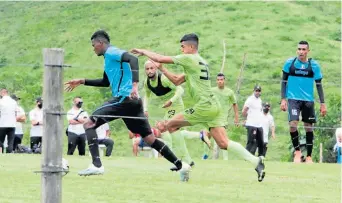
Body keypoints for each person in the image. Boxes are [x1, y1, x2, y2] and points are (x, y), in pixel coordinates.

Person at [131, 33, 265, 182]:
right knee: (223, 143)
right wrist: (162, 69)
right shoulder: (201, 62)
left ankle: (184, 163)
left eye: (182, 47)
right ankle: (256, 161)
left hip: (204, 106)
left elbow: (160, 58)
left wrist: (143, 51)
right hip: (213, 106)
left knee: (169, 126)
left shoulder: (190, 58)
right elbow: (176, 80)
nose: (181, 49)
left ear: (191, 47)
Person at [65, 30, 189, 179]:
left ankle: (96, 165)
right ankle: (181, 165)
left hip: (124, 98)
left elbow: (133, 59)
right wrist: (82, 81)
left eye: (93, 45)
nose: (93, 48)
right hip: (134, 103)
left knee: (89, 124)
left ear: (101, 43)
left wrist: (134, 85)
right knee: (149, 138)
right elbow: (105, 82)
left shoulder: (112, 52)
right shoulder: (108, 59)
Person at [143, 60, 204, 167]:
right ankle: (188, 158)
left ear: (156, 69)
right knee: (170, 132)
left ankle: (181, 160)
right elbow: (146, 96)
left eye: (152, 68)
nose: (150, 71)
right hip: (168, 108)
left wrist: (171, 101)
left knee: (168, 130)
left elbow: (180, 90)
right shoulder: (147, 83)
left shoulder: (163, 78)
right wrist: (145, 109)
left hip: (176, 105)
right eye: (147, 69)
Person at [280, 40, 327, 163]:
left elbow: (319, 85)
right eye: (299, 49)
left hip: (308, 100)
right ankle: (297, 152)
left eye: (303, 49)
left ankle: (309, 157)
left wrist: (322, 103)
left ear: (308, 51)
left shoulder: (314, 66)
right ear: (297, 50)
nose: (301, 52)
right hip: (293, 99)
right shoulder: (290, 63)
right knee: (293, 124)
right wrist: (283, 99)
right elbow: (283, 82)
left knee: (308, 127)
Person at [210, 73, 239, 160]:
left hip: (223, 119)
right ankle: (215, 159)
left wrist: (236, 117)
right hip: (214, 118)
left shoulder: (229, 92)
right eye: (218, 80)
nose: (220, 81)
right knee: (216, 140)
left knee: (223, 140)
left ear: (224, 81)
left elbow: (234, 104)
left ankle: (224, 159)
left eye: (221, 80)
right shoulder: (212, 91)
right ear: (216, 81)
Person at [242, 85, 264, 157]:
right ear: (254, 91)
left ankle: (261, 157)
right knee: (250, 141)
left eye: (259, 91)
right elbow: (244, 110)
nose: (257, 92)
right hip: (251, 124)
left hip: (259, 125)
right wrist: (247, 119)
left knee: (260, 142)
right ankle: (246, 156)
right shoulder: (250, 99)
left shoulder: (260, 100)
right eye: (256, 91)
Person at [0, 88, 17, 153]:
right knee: (10, 142)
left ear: (2, 93)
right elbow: (15, 113)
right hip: (12, 124)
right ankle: (9, 153)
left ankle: (1, 153)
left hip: (2, 124)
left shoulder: (1, 101)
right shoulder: (14, 102)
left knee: (1, 141)